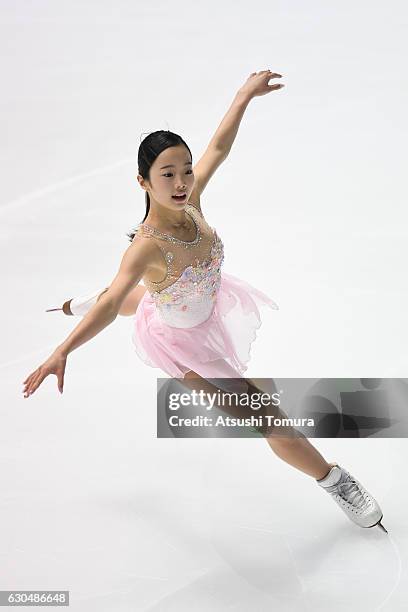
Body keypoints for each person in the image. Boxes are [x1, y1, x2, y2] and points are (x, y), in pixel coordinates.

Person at [22, 71, 387, 533]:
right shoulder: (145, 248)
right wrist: (61, 351)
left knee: (154, 297)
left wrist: (243, 96)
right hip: (185, 346)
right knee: (269, 421)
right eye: (167, 174)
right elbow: (115, 304)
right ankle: (336, 481)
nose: (180, 182)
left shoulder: (192, 201)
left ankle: (78, 301)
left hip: (201, 301)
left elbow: (218, 148)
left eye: (185, 171)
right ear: (143, 182)